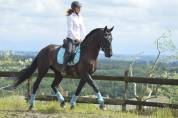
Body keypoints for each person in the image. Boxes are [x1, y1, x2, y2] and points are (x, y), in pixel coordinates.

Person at [62, 1, 86, 72]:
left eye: (80, 8)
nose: (79, 9)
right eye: (78, 8)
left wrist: (84, 38)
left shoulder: (80, 17)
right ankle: (63, 67)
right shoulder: (70, 17)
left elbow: (83, 29)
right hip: (71, 38)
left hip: (79, 39)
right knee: (69, 51)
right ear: (74, 8)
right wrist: (76, 38)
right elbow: (70, 30)